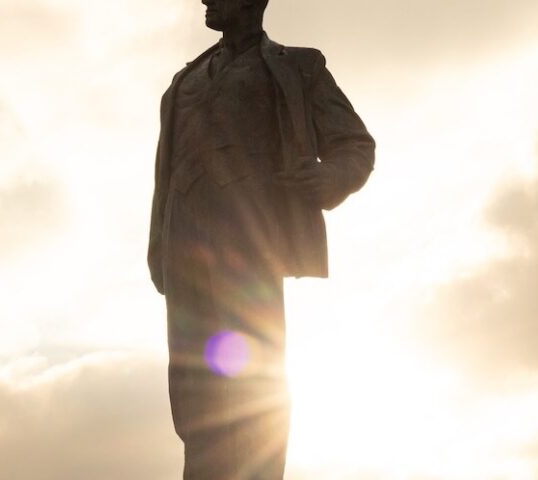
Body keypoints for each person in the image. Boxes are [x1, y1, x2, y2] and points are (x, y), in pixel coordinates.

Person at [147, 0, 375, 477]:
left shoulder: (300, 67)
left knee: (254, 381)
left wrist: (331, 176)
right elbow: (166, 175)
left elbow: (354, 144)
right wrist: (161, 247)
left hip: (250, 238)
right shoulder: (182, 83)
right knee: (193, 391)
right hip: (184, 243)